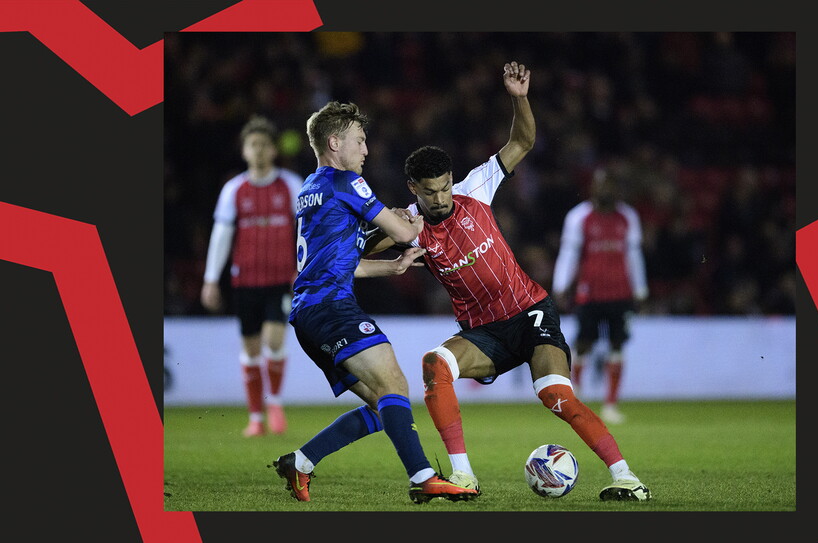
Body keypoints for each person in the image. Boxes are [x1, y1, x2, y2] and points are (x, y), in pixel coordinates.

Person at [400, 61, 651, 501]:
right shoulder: (405, 225)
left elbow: (523, 141)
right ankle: (463, 478)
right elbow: (359, 249)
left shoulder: (475, 189)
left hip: (531, 312)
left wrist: (518, 97)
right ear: (413, 189)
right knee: (434, 365)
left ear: (451, 180)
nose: (439, 198)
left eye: (444, 187)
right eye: (429, 191)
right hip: (484, 333)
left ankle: (627, 478)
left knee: (557, 396)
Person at [271, 101, 478, 504]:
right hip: (332, 308)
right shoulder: (347, 182)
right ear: (335, 142)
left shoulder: (310, 190)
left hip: (310, 312)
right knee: (396, 385)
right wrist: (412, 222)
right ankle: (422, 478)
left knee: (386, 407)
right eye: (360, 141)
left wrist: (393, 267)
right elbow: (401, 230)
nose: (366, 150)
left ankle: (301, 461)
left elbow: (338, 263)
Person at [201, 115, 303, 437]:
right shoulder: (234, 189)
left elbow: (307, 229)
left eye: (263, 145)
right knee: (251, 350)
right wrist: (210, 279)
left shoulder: (290, 185)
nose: (257, 151)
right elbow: (221, 236)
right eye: (252, 145)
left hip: (280, 280)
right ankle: (255, 418)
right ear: (244, 151)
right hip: (245, 281)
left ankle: (274, 403)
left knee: (275, 341)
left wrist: (306, 267)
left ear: (273, 150)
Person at [552, 167, 650, 425]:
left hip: (620, 293)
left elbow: (634, 255)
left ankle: (610, 405)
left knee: (617, 345)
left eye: (610, 185)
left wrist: (640, 289)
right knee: (584, 343)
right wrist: (561, 285)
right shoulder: (579, 217)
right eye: (601, 185)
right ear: (593, 188)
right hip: (590, 292)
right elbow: (569, 254)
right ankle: (576, 397)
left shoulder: (628, 217)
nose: (606, 190)